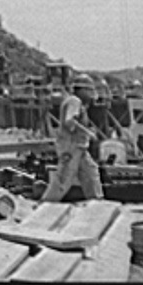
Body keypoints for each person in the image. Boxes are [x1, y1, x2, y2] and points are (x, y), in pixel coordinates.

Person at [40, 73, 104, 202]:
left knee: (91, 173)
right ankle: (47, 203)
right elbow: (69, 121)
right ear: (82, 90)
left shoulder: (74, 101)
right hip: (71, 148)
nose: (91, 95)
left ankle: (97, 202)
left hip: (79, 148)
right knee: (63, 180)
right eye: (89, 91)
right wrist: (88, 132)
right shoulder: (74, 101)